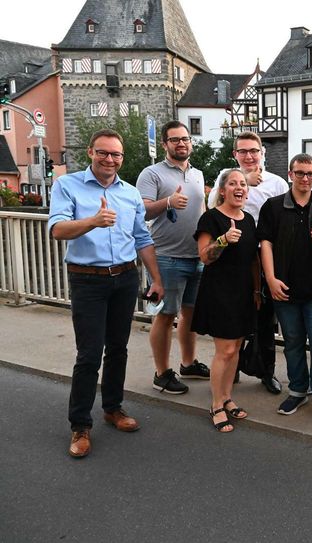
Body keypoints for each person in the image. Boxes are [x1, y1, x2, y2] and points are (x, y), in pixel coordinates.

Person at [49, 128, 164, 458]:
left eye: (116, 154)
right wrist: (93, 221)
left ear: (122, 158)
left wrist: (156, 279)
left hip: (125, 278)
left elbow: (142, 239)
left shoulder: (128, 193)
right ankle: (80, 425)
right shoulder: (66, 185)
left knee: (118, 348)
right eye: (103, 152)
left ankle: (113, 408)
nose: (109, 159)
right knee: (88, 354)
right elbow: (57, 229)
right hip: (88, 280)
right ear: (90, 152)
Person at [258, 153, 312, 423]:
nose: (306, 178)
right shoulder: (273, 207)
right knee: (292, 343)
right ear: (290, 174)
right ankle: (297, 389)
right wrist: (269, 278)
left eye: (310, 174)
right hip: (284, 288)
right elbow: (265, 243)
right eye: (300, 173)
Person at [207, 131, 289, 394]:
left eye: (253, 150)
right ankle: (231, 370)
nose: (249, 156)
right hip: (231, 260)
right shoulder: (226, 178)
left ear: (262, 152)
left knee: (265, 320)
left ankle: (267, 372)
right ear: (235, 155)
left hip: (264, 260)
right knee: (233, 319)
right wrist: (245, 182)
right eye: (243, 151)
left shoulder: (277, 183)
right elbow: (212, 208)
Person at [137, 121, 207, 395]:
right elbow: (141, 212)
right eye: (175, 139)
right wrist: (167, 203)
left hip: (197, 256)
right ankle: (161, 372)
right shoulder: (151, 174)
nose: (181, 144)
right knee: (165, 315)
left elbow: (201, 209)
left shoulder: (198, 174)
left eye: (185, 139)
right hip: (167, 257)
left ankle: (188, 363)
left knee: (190, 313)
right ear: (165, 144)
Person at [191, 169, 260, 433]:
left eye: (243, 184)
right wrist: (223, 240)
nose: (239, 188)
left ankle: (228, 397)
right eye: (233, 184)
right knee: (225, 351)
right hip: (219, 291)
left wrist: (256, 291)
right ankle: (216, 404)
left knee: (236, 349)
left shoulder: (250, 219)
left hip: (243, 292)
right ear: (222, 190)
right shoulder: (211, 218)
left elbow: (253, 260)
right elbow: (204, 256)